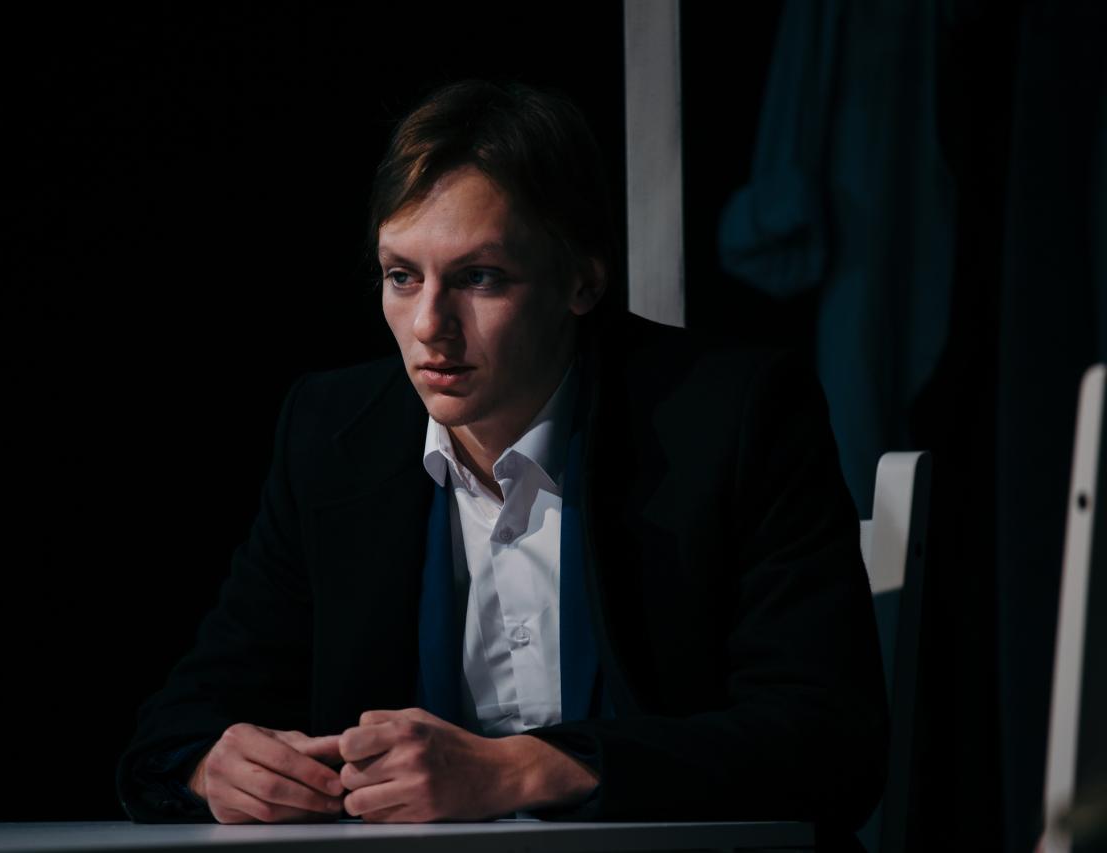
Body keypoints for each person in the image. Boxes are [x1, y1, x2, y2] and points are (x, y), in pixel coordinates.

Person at [116, 79, 889, 835]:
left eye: (479, 277)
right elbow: (177, 727)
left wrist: (519, 770)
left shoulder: (732, 415)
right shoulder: (332, 434)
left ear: (582, 280)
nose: (429, 325)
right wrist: (212, 766)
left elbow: (829, 743)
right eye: (401, 276)